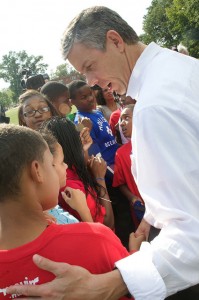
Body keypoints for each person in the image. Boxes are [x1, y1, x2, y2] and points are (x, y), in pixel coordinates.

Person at [8, 5, 199, 300]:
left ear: (115, 41)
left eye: (89, 67)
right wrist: (153, 215)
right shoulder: (179, 69)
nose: (92, 82)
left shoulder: (156, 107)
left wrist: (109, 284)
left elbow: (193, 236)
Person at [0, 124, 138, 300]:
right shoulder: (94, 239)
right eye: (51, 163)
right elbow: (136, 289)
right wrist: (134, 254)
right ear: (37, 171)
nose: (64, 168)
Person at [40, 116, 114, 229]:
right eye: (76, 136)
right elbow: (108, 223)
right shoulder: (70, 186)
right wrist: (100, 179)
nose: (80, 138)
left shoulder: (66, 170)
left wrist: (82, 150)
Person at [113, 104, 145, 227]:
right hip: (142, 213)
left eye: (126, 118)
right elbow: (120, 183)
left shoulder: (155, 144)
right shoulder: (121, 153)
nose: (121, 123)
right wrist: (132, 198)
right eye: (120, 119)